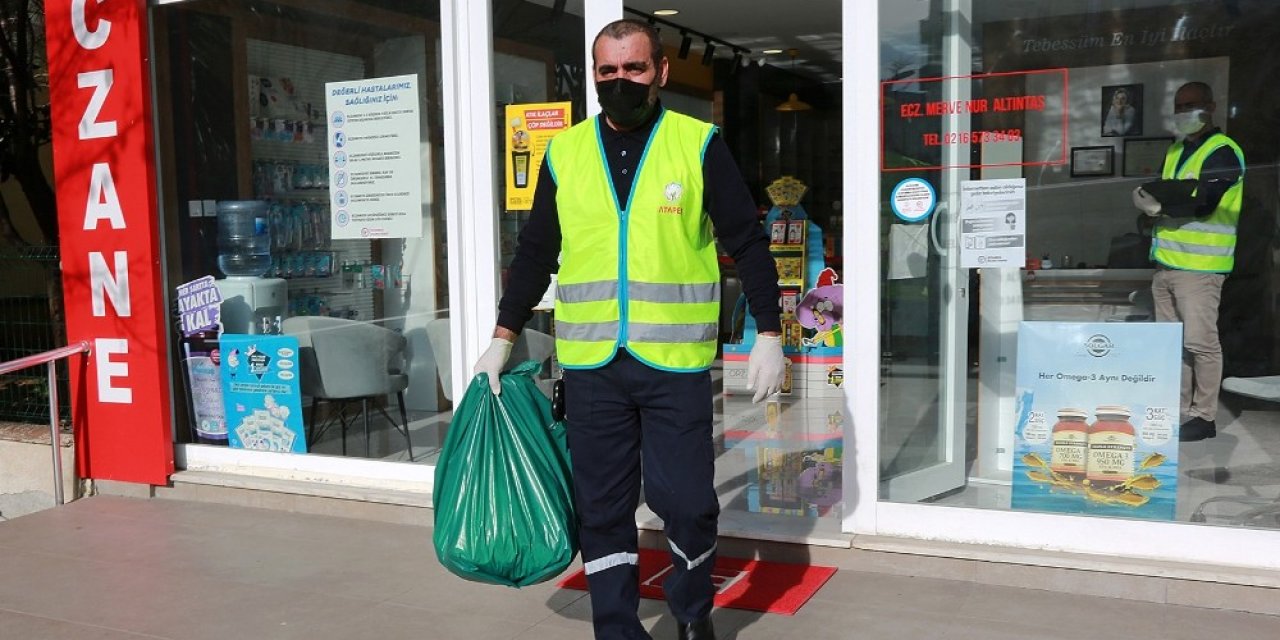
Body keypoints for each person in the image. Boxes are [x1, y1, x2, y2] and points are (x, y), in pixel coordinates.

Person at [472, 19, 786, 640]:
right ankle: (616, 629)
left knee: (688, 504)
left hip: (674, 365)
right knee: (603, 511)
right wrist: (502, 338)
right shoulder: (565, 153)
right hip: (591, 367)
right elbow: (536, 252)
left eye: (634, 68)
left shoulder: (696, 143)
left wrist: (769, 333)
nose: (621, 81)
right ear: (594, 77)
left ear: (660, 72)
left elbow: (747, 242)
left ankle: (691, 615)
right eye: (608, 71)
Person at [1131, 81, 1245, 442]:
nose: (1184, 112)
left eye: (1191, 105)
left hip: (1200, 268)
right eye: (1179, 106)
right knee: (1173, 347)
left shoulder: (1223, 151)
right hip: (1167, 263)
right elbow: (1168, 192)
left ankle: (1204, 416)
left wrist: (1159, 205)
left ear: (1210, 107)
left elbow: (1205, 201)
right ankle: (1177, 411)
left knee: (1200, 343)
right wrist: (1152, 204)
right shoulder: (1177, 149)